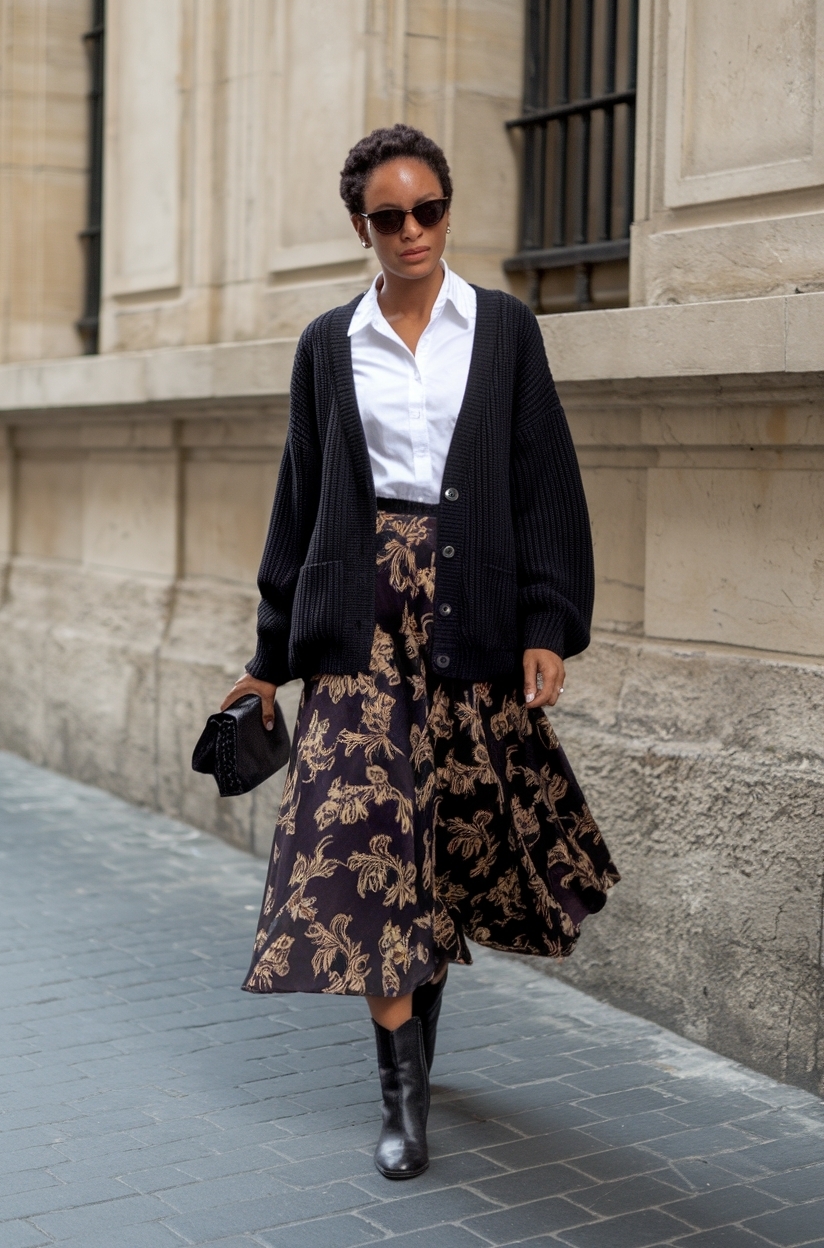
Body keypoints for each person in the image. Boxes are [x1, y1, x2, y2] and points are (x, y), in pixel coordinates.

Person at [221, 124, 619, 1180]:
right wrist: (269, 654)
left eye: (428, 210)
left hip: (468, 617)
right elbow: (300, 500)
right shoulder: (328, 344)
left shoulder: (503, 329)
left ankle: (418, 1059)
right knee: (363, 841)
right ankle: (401, 1100)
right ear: (361, 225)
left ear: (447, 209)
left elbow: (544, 482)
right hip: (356, 625)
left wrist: (547, 624)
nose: (411, 231)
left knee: (436, 848)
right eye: (389, 216)